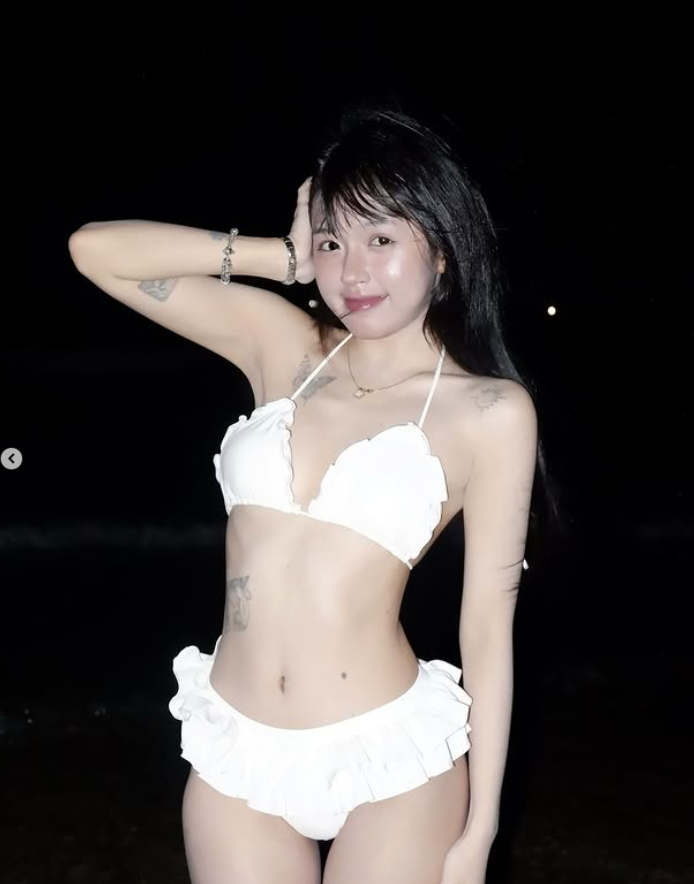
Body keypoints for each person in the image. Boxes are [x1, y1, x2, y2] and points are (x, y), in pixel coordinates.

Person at [68, 103, 553, 884]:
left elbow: (488, 627)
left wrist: (481, 830)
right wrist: (281, 257)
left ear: (442, 251)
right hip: (237, 754)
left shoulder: (490, 412)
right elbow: (95, 251)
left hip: (391, 763)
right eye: (333, 240)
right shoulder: (284, 346)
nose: (351, 271)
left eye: (381, 239)